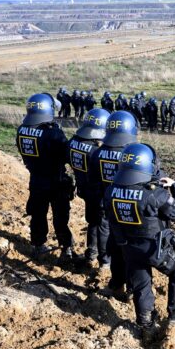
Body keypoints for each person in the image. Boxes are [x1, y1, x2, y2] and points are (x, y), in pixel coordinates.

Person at [103, 143, 175, 337]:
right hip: (155, 249)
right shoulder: (154, 193)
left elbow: (111, 222)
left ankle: (146, 326)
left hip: (129, 247)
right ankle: (174, 320)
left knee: (142, 286)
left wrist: (123, 244)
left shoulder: (111, 191)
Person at [16, 93, 78, 260]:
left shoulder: (22, 129)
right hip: (56, 181)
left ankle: (38, 245)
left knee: (38, 214)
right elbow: (67, 155)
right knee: (60, 217)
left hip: (36, 179)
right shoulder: (52, 133)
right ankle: (66, 248)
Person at [88, 110, 139, 299]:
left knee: (116, 247)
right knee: (133, 251)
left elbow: (92, 182)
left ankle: (117, 285)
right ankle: (133, 289)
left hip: (109, 209)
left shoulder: (97, 153)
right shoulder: (135, 155)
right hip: (132, 210)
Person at [68, 108, 110, 265]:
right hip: (100, 193)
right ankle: (104, 262)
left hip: (84, 189)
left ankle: (91, 252)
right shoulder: (98, 149)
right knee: (104, 226)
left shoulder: (73, 141)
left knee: (92, 222)